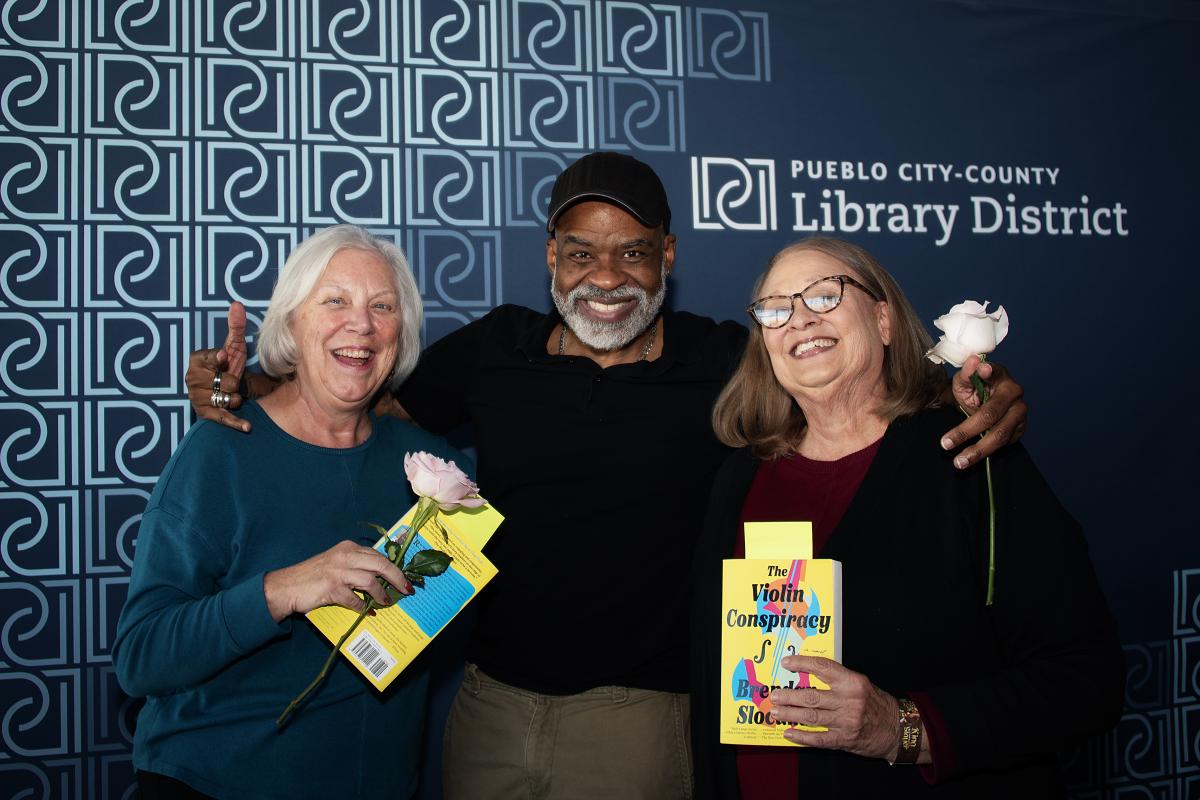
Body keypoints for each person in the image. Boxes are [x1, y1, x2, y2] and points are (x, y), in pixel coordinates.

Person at [183, 153, 1028, 799]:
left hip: (644, 721)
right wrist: (247, 384)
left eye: (632, 253)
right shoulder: (494, 348)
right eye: (581, 251)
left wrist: (972, 394)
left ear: (667, 255)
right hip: (487, 708)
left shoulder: (726, 361)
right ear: (551, 254)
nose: (606, 276)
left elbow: (845, 377)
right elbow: (362, 398)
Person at [691, 237, 1123, 799]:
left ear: (884, 319)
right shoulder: (740, 479)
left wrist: (903, 729)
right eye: (775, 309)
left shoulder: (968, 457)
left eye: (823, 296)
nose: (797, 319)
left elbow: (1086, 679)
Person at [113, 225, 472, 800]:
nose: (361, 324)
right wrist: (284, 589)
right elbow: (141, 657)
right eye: (335, 301)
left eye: (382, 306)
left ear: (401, 335)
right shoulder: (222, 450)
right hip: (215, 783)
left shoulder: (435, 472)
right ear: (291, 325)